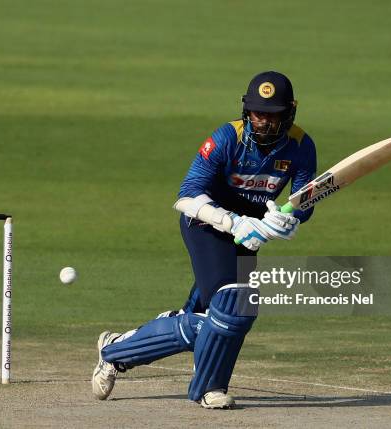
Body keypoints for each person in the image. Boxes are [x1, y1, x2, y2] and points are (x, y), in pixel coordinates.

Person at [91, 71, 317, 409]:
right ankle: (207, 388)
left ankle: (116, 351)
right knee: (235, 307)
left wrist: (283, 222)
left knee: (208, 318)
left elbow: (303, 202)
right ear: (247, 110)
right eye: (258, 113)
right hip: (206, 224)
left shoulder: (301, 146)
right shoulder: (227, 137)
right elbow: (186, 197)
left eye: (273, 115)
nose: (265, 122)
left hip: (246, 236)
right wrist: (234, 222)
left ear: (289, 113)